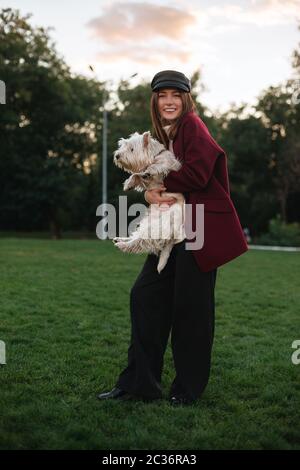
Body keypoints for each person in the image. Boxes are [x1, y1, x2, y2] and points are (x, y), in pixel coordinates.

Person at [97, 70, 249, 406]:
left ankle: (187, 390)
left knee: (191, 311)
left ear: (185, 99)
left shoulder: (192, 125)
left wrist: (156, 187)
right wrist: (151, 194)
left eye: (175, 95)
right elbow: (162, 177)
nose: (169, 101)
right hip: (173, 229)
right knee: (144, 297)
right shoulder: (167, 135)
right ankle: (139, 383)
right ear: (155, 100)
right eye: (162, 95)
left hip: (199, 226)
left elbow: (197, 173)